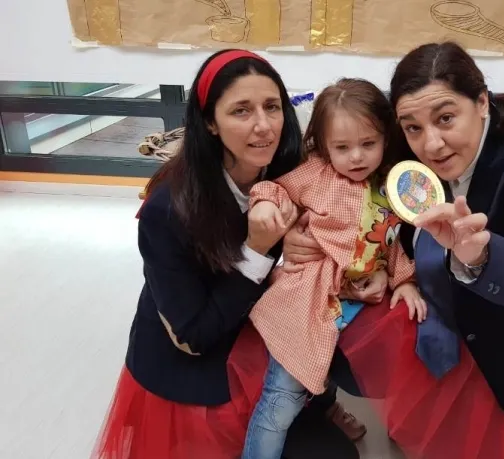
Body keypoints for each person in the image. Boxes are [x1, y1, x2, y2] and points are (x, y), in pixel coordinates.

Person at [282, 41, 504, 459]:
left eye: (446, 118)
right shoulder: (404, 153)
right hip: (432, 318)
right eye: (413, 127)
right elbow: (356, 197)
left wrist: (481, 257)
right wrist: (302, 236)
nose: (432, 145)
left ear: (482, 102)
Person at [91, 49, 362, 459]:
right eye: (241, 111)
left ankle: (319, 402)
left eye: (272, 107)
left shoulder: (289, 167)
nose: (264, 126)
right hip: (201, 361)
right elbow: (194, 336)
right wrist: (259, 250)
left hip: (271, 326)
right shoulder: (168, 209)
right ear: (210, 123)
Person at [237, 78, 427, 459]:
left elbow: (388, 240)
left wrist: (405, 281)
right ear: (324, 146)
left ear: (385, 138)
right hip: (308, 302)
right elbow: (274, 188)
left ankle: (328, 409)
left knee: (328, 374)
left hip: (352, 305)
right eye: (342, 147)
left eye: (368, 144)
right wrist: (266, 204)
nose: (356, 157)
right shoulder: (316, 173)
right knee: (281, 400)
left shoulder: (391, 185)